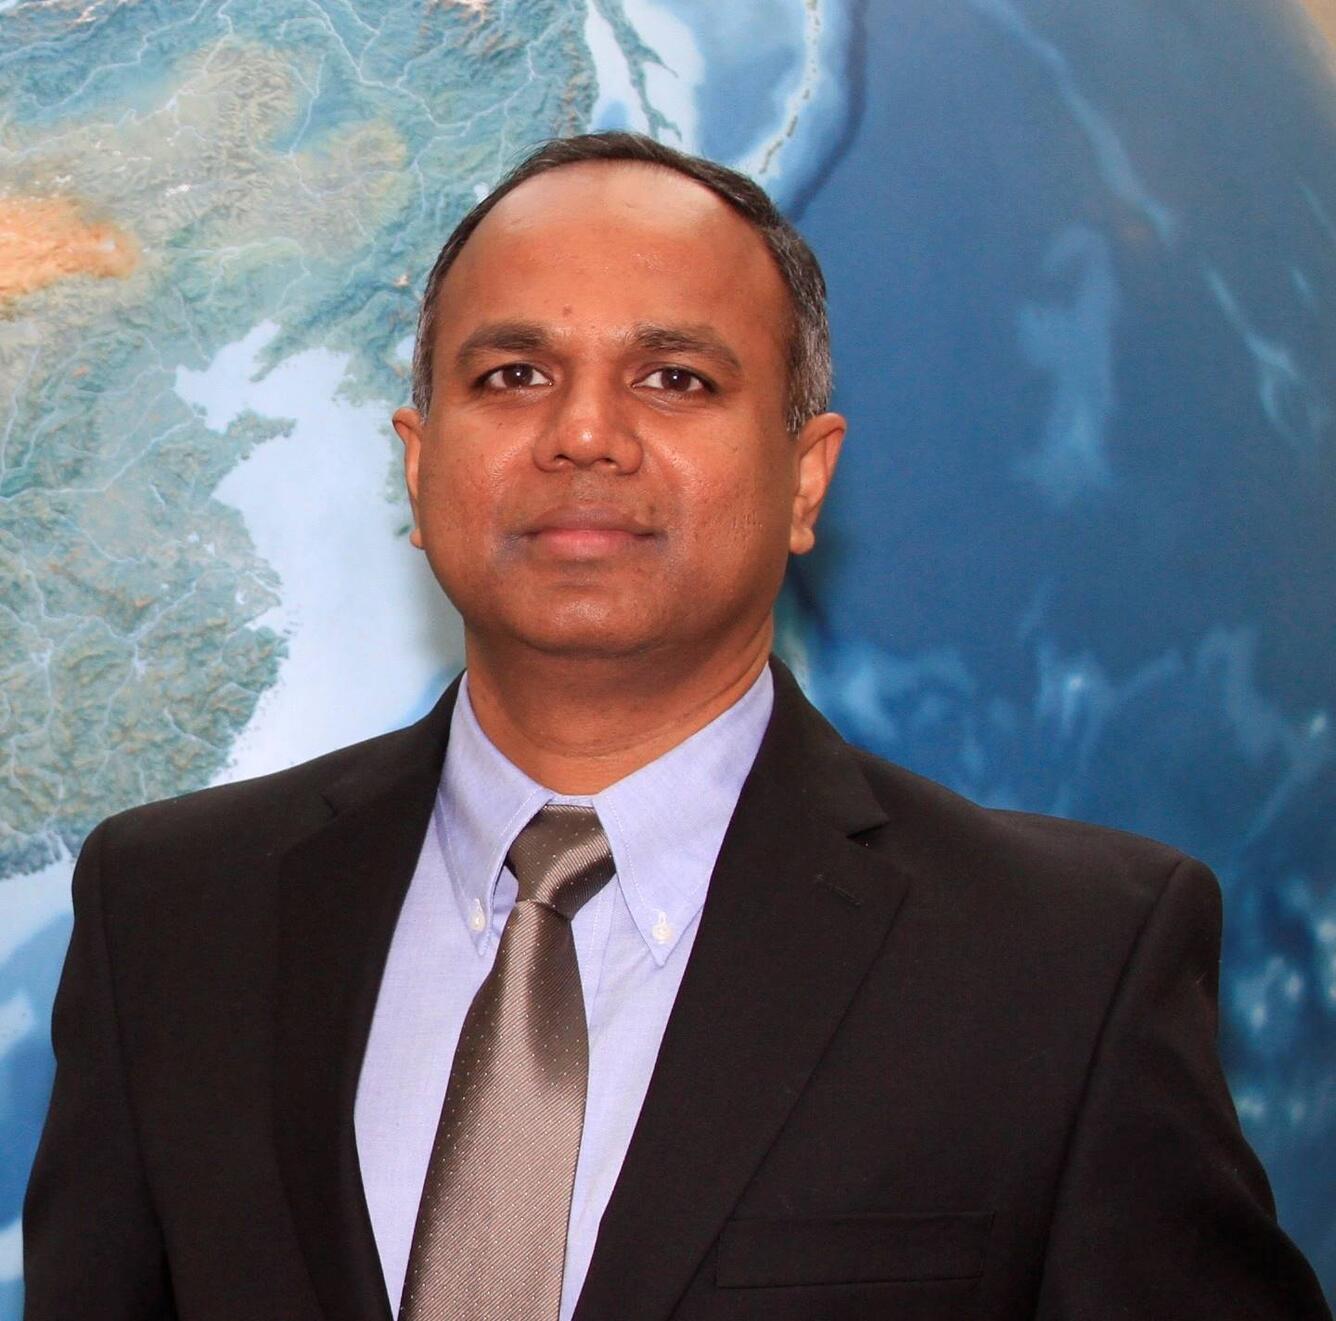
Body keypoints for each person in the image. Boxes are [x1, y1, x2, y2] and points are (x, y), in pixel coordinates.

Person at [22, 131, 1330, 1321]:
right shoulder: (170, 918)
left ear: (806, 475)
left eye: (675, 376)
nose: (585, 433)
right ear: (418, 465)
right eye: (515, 371)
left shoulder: (1066, 966)